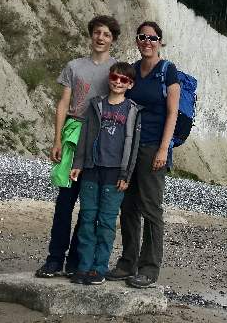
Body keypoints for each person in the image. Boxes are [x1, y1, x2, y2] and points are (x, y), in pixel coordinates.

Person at [35, 15, 120, 278]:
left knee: (89, 207)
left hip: (100, 138)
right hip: (73, 134)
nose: (101, 38)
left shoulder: (117, 70)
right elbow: (63, 103)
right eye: (97, 32)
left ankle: (76, 261)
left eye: (106, 34)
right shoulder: (74, 66)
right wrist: (57, 139)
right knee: (64, 202)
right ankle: (54, 259)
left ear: (113, 40)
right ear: (91, 35)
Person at [106, 22, 180, 289]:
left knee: (151, 208)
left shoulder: (167, 71)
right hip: (130, 146)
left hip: (153, 147)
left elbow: (172, 113)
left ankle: (149, 268)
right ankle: (128, 262)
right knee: (128, 207)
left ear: (159, 41)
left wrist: (163, 148)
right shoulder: (133, 70)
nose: (147, 41)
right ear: (137, 41)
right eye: (142, 37)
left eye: (152, 38)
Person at [69, 62, 142, 285]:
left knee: (107, 222)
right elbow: (84, 136)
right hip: (92, 169)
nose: (118, 82)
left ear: (130, 84)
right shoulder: (95, 105)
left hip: (115, 174)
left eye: (124, 80)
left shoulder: (132, 110)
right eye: (115, 77)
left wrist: (126, 175)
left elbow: (134, 145)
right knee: (88, 219)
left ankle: (99, 268)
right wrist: (78, 163)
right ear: (110, 78)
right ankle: (83, 267)